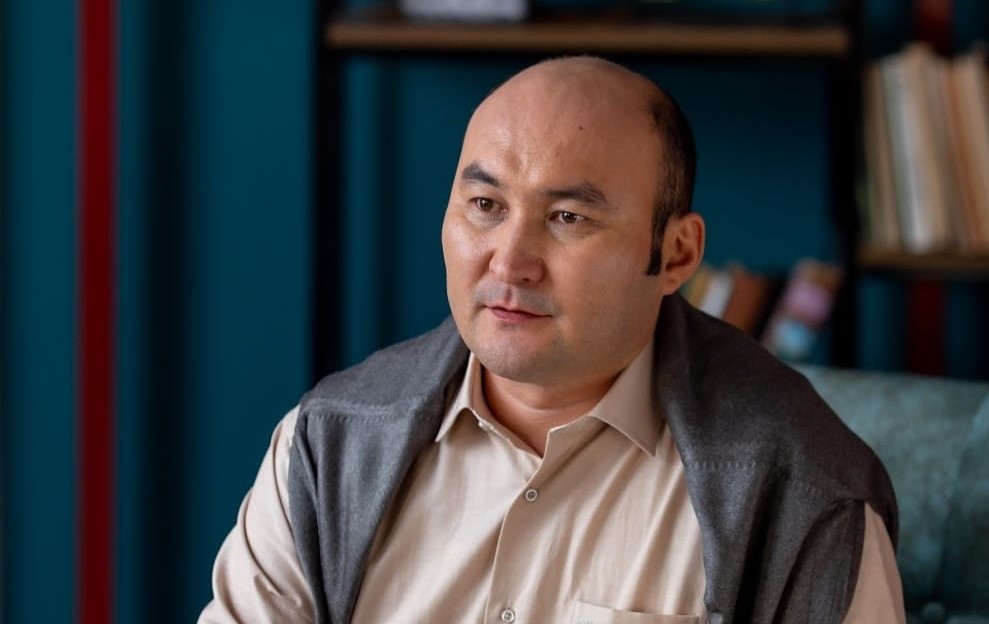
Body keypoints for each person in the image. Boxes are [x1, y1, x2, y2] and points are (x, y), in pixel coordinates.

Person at [199, 56, 905, 623]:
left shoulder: (803, 491)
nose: (509, 263)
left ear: (677, 255)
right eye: (485, 205)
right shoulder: (327, 446)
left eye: (568, 217)